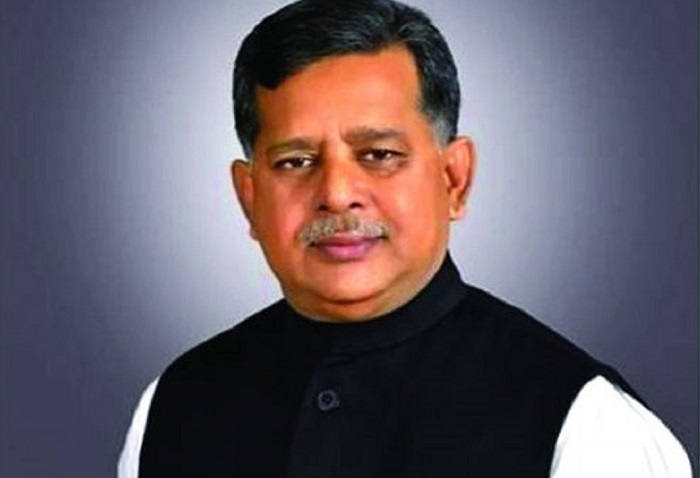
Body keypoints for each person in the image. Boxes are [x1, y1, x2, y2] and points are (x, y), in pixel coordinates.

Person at [118, 0, 691, 476]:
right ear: (249, 198)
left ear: (454, 179)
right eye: (296, 161)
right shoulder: (173, 408)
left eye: (379, 155)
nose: (337, 193)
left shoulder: (588, 427)